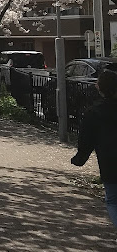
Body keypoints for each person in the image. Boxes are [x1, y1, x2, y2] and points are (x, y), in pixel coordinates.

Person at [71, 69, 117, 237]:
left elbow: (86, 140)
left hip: (109, 161)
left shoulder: (93, 112)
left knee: (112, 200)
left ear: (99, 88)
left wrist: (79, 158)